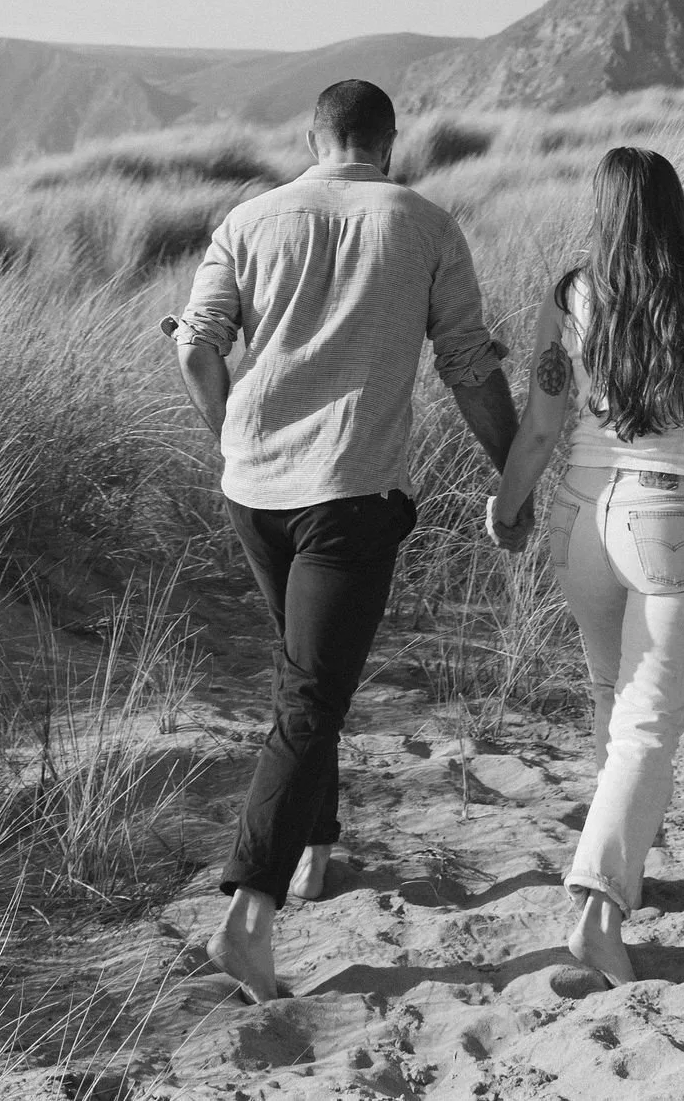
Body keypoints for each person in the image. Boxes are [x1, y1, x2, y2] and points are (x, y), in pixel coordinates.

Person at [170, 78, 521, 1003]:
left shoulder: (250, 219)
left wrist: (226, 431)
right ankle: (248, 917)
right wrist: (514, 467)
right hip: (349, 493)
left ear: (315, 137)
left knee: (306, 675)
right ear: (389, 140)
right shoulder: (425, 223)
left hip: (254, 487)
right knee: (311, 693)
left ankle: (316, 852)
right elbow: (468, 364)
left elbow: (196, 344)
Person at [487, 144, 684, 986]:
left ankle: (623, 867)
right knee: (647, 723)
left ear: (603, 211)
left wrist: (507, 505)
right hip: (674, 514)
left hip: (581, 516)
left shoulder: (570, 297)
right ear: (673, 210)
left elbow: (540, 426)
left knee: (613, 698)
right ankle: (600, 909)